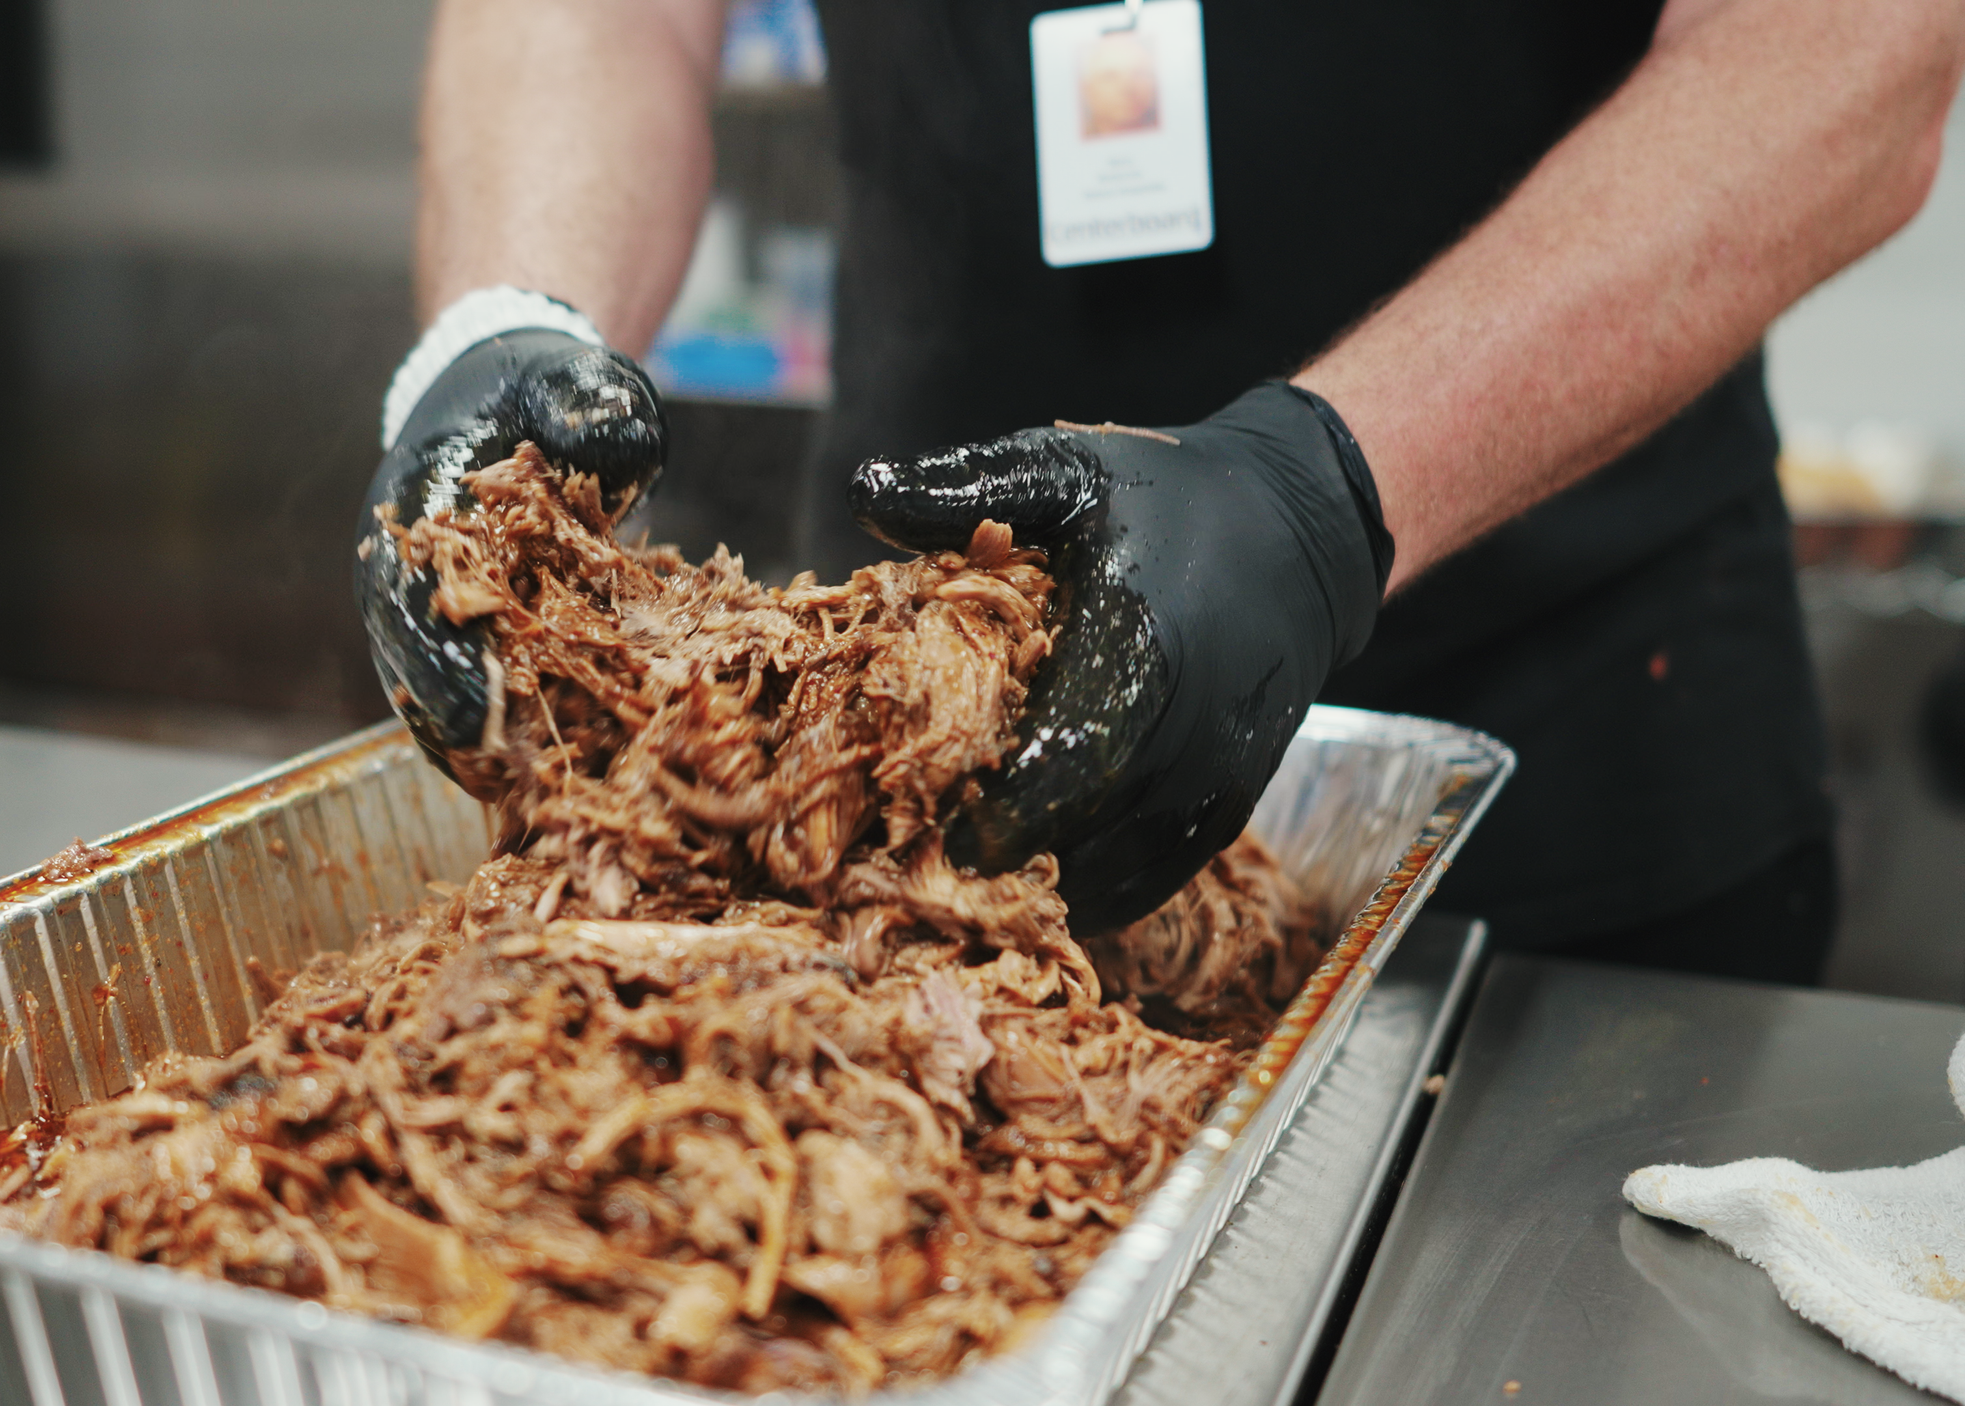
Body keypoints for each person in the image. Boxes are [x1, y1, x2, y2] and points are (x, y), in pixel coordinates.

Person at [358, 0, 1965, 984]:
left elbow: (1845, 37)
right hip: (895, 758)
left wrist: (1324, 486)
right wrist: (510, 319)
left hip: (1564, 763)